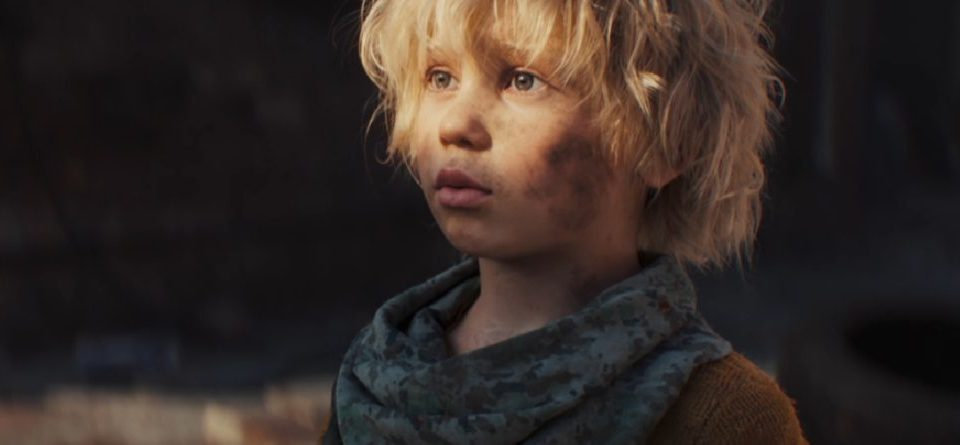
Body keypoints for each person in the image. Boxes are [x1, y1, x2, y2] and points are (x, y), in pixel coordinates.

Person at [322, 0, 806, 443]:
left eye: (523, 79)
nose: (454, 124)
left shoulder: (720, 416)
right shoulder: (376, 380)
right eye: (440, 77)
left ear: (665, 140)